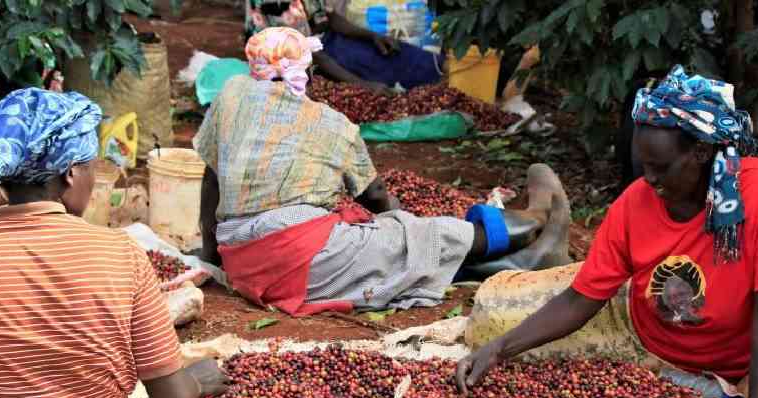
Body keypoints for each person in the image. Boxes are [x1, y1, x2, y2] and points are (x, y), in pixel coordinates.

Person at [455, 65, 758, 398]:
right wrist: (498, 349)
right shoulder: (634, 204)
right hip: (637, 326)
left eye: (661, 167)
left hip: (736, 358)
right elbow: (580, 300)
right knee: (487, 320)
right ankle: (547, 255)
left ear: (701, 152)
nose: (648, 179)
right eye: (642, 166)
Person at [195, 27, 570, 316]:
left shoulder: (229, 98)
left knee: (381, 260)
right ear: (306, 71)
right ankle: (536, 221)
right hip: (296, 262)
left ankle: (519, 261)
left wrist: (213, 255)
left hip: (243, 262)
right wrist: (404, 228)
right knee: (414, 235)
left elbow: (211, 179)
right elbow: (375, 197)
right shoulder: (329, 122)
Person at [0, 88, 228, 398]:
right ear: (70, 175)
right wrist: (198, 380)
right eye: (90, 167)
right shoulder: (119, 252)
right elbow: (171, 397)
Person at [245, 0, 443, 94]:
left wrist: (372, 36)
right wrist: (363, 86)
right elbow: (311, 54)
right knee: (376, 77)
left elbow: (329, 18)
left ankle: (431, 74)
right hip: (296, 61)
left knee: (399, 54)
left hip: (327, 42)